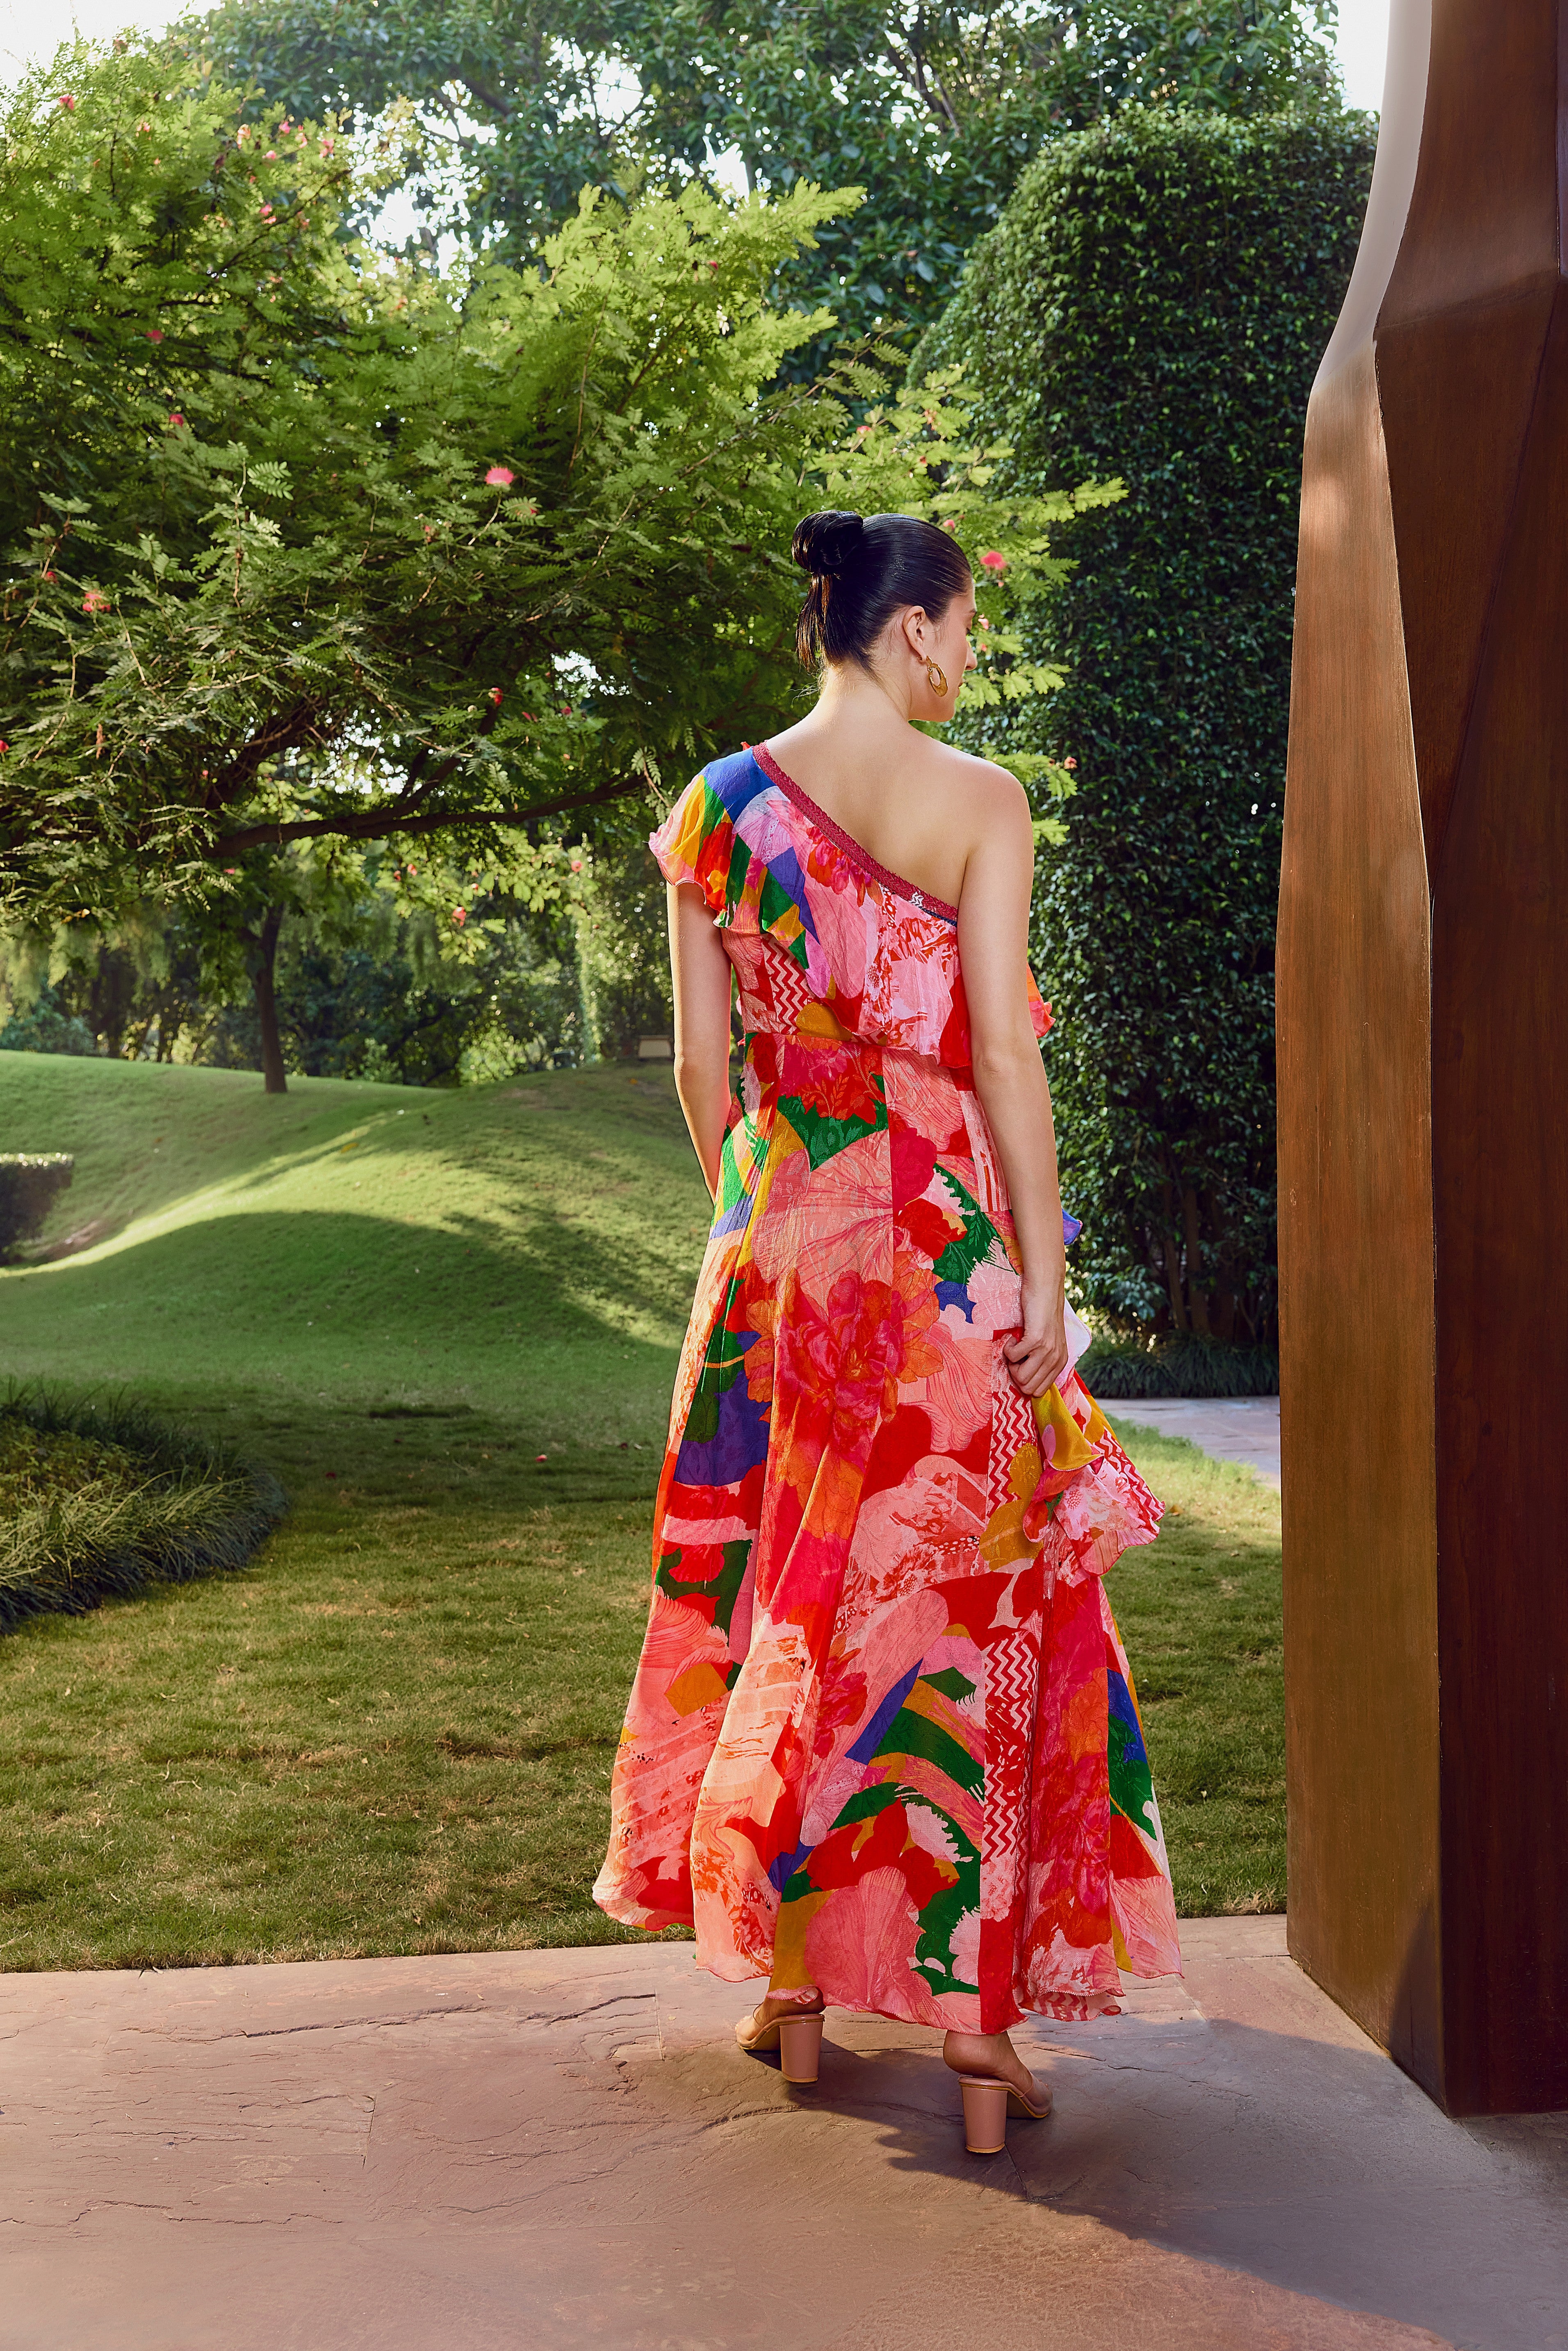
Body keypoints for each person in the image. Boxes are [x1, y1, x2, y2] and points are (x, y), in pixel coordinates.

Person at [593, 508, 1180, 2152]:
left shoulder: (714, 810)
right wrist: (1043, 1281)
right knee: (959, 1607)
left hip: (771, 1244)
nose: (969, 657)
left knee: (784, 1593)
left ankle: (788, 1992)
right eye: (968, 627)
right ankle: (975, 2036)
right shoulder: (980, 802)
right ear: (912, 627)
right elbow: (1003, 1058)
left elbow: (703, 1076)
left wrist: (761, 1217)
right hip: (942, 1250)